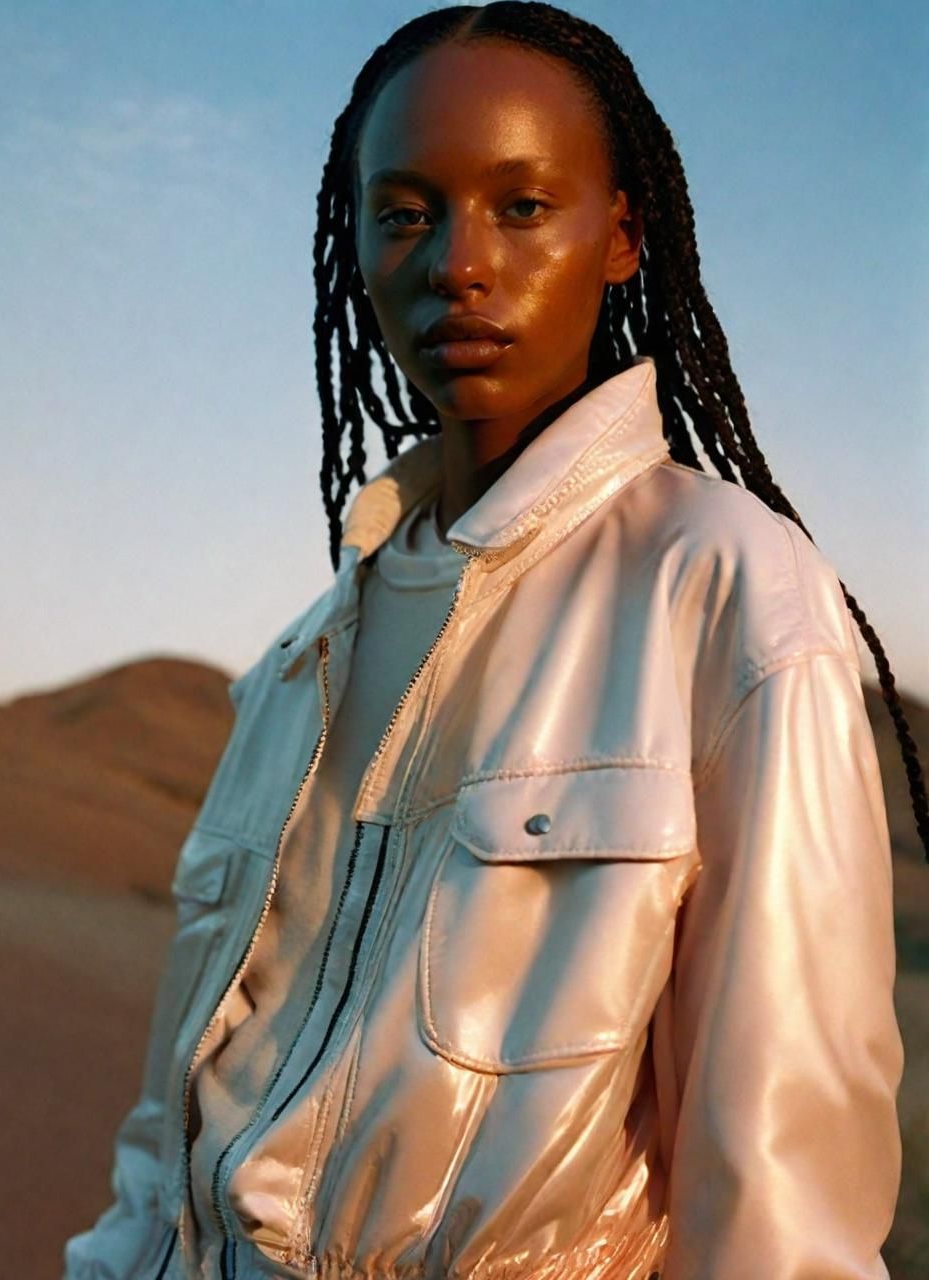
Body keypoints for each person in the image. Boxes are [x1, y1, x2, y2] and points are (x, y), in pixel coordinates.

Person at [63, 4, 927, 1278]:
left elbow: (778, 1192)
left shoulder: (729, 593)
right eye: (405, 212)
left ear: (622, 234)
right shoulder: (301, 658)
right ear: (353, 241)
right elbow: (169, 1124)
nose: (457, 263)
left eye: (522, 207)